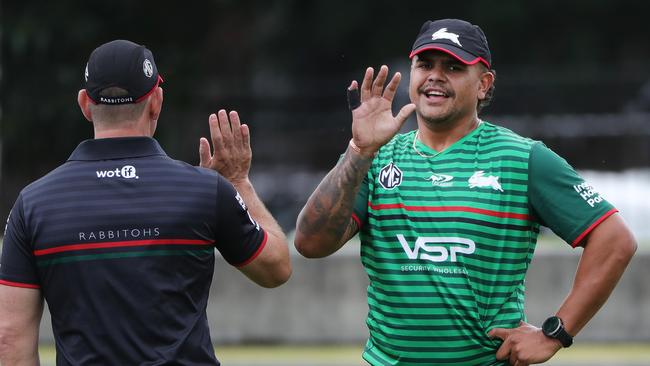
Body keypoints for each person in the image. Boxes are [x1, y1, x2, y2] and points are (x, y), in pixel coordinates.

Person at [294, 19, 637, 365]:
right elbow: (310, 244)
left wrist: (556, 333)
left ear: (484, 85)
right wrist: (358, 150)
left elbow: (615, 240)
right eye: (425, 65)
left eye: (454, 67)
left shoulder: (521, 158)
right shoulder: (374, 156)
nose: (435, 76)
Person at [0, 39, 291, 365]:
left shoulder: (34, 204)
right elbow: (276, 268)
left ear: (84, 104)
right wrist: (238, 183)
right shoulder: (205, 191)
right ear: (156, 102)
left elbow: (10, 340)